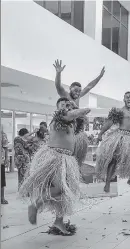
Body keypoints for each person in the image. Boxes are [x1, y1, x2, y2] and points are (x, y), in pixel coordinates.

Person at [19, 97, 91, 235]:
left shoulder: (70, 123)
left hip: (66, 159)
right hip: (55, 158)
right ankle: (36, 204)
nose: (67, 106)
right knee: (58, 189)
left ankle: (59, 221)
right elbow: (86, 111)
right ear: (58, 109)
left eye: (68, 104)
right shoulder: (61, 117)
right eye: (63, 105)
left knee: (64, 193)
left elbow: (80, 121)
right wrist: (75, 108)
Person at [54, 60, 103, 169]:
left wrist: (99, 77)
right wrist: (58, 73)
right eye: (75, 90)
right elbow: (58, 86)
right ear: (70, 89)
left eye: (79, 91)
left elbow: (90, 86)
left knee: (77, 154)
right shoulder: (66, 95)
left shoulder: (79, 96)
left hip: (76, 129)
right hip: (66, 127)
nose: (77, 92)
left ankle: (76, 167)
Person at [1, 127, 9, 204]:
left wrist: (6, 158)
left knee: (2, 180)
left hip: (1, 161)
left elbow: (6, 147)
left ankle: (2, 198)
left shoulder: (2, 134)